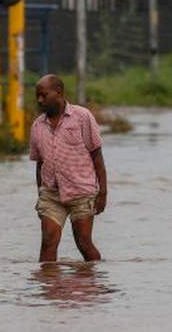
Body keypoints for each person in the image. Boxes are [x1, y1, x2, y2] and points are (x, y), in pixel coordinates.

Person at [29, 74, 108, 262]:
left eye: (44, 95)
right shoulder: (37, 126)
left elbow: (97, 156)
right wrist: (40, 194)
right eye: (37, 96)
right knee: (48, 242)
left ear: (59, 93)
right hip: (51, 195)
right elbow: (40, 163)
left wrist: (103, 193)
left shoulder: (82, 117)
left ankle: (95, 283)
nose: (40, 100)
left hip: (81, 191)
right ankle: (48, 288)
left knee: (83, 243)